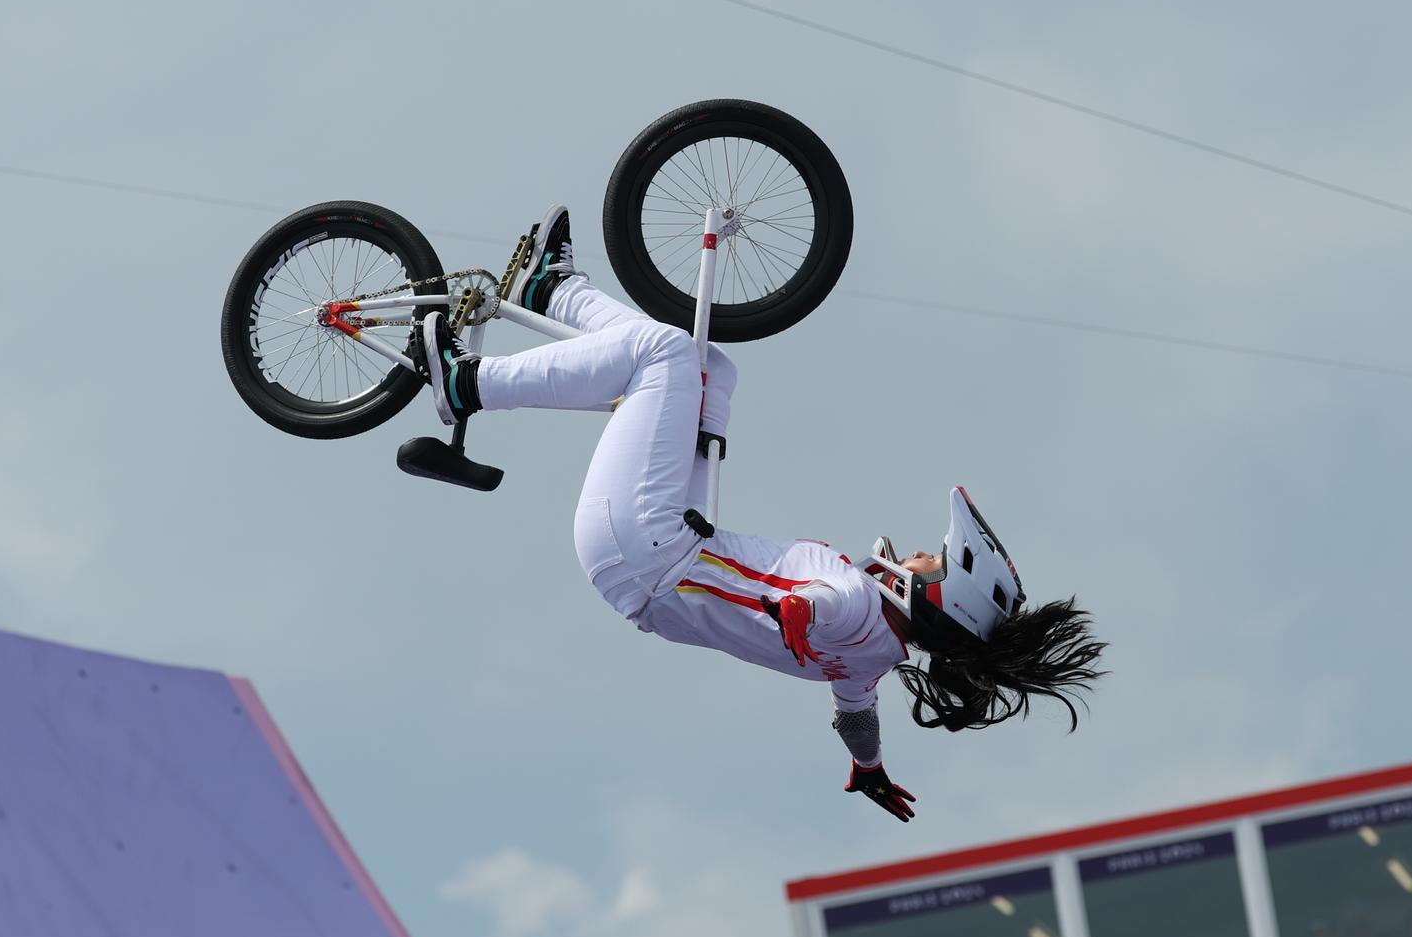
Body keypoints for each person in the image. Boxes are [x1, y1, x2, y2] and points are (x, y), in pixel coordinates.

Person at [413, 207, 1107, 823]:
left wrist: (797, 611)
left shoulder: (856, 610)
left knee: (661, 354)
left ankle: (468, 383)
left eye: (935, 559)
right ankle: (552, 292)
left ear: (939, 594)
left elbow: (817, 606)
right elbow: (856, 719)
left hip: (645, 546)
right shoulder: (872, 658)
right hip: (662, 549)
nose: (923, 552)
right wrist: (869, 771)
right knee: (710, 368)